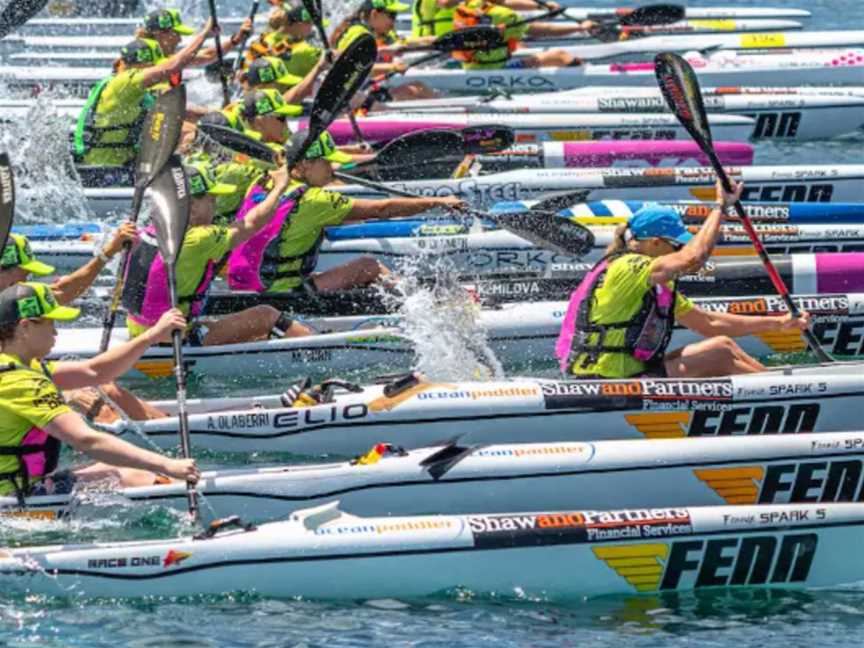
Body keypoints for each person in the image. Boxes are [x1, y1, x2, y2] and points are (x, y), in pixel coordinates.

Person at [555, 181, 812, 379]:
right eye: (676, 245)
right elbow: (694, 258)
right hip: (607, 381)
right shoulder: (629, 266)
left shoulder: (651, 283)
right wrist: (720, 208)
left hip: (626, 374)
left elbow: (710, 323)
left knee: (722, 345)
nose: (679, 251)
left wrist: (779, 324)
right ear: (655, 242)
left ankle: (774, 385)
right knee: (718, 356)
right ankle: (786, 397)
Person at [0, 281, 199, 500]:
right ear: (25, 327)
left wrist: (151, 336)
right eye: (49, 322)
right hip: (15, 497)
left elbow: (94, 372)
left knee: (114, 470)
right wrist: (168, 464)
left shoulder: (19, 365)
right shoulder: (21, 382)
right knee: (136, 477)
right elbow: (86, 440)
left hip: (19, 484)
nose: (55, 331)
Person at [227, 129, 465, 294]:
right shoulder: (315, 200)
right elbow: (383, 209)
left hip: (242, 286)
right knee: (367, 265)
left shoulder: (261, 181)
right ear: (305, 165)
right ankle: (418, 303)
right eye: (327, 163)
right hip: (284, 294)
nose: (332, 168)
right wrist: (436, 201)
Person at [123, 160, 311, 346]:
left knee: (228, 327)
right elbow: (251, 224)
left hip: (140, 331)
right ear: (191, 206)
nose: (215, 203)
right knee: (265, 315)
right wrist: (279, 188)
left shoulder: (148, 231)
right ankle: (317, 347)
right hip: (173, 339)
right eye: (210, 198)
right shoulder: (199, 238)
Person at [72, 21, 215, 173]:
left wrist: (219, 116)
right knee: (189, 136)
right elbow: (172, 67)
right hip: (103, 170)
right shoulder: (124, 83)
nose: (156, 70)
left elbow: (179, 112)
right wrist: (204, 34)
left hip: (121, 163)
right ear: (141, 64)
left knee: (189, 130)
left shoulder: (134, 89)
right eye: (153, 65)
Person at [0, 227, 137, 305]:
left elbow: (64, 291)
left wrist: (109, 251)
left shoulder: (11, 299)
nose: (26, 279)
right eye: (24, 272)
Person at [336, 0, 438, 102]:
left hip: (369, 90)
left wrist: (441, 40)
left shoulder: (385, 34)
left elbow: (407, 43)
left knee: (419, 87)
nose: (394, 22)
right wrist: (392, 67)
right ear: (375, 14)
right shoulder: (357, 33)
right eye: (392, 15)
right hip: (351, 98)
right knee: (412, 92)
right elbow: (353, 67)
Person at [450, 0, 589, 69]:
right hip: (499, 72)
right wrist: (579, 28)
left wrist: (541, 6)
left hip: (470, 67)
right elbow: (544, 30)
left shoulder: (466, 6)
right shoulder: (505, 15)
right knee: (560, 55)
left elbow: (504, 2)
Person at [137, 8, 253, 68]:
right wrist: (204, 35)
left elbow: (208, 55)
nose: (179, 40)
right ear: (160, 34)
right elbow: (175, 63)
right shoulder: (141, 61)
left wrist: (236, 40)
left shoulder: (166, 57)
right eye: (176, 34)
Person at [243, 2, 326, 82]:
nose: (312, 28)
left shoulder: (266, 38)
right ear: (297, 24)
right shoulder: (303, 50)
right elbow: (331, 57)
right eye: (310, 23)